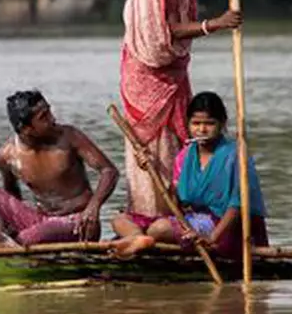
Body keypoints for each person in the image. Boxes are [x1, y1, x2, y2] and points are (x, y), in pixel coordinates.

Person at [120, 0, 242, 224]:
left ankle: (180, 215)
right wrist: (214, 24)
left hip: (174, 78)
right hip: (146, 84)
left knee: (179, 142)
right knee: (151, 153)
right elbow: (165, 31)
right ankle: (148, 217)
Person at [110, 91, 269, 258]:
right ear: (188, 124)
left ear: (222, 124)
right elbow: (174, 204)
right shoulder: (185, 156)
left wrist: (212, 238)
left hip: (225, 227)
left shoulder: (235, 154)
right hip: (192, 219)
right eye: (196, 123)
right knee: (120, 220)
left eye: (209, 124)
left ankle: (138, 240)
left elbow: (237, 205)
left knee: (160, 229)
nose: (201, 129)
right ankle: (137, 239)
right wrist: (150, 170)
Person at [0, 90, 119, 248]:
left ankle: (11, 244)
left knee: (35, 235)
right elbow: (12, 196)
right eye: (43, 117)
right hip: (40, 220)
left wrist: (93, 207)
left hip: (78, 223)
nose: (52, 119)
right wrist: (2, 227)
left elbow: (109, 171)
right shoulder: (6, 155)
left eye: (49, 112)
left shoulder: (69, 137)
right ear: (26, 129)